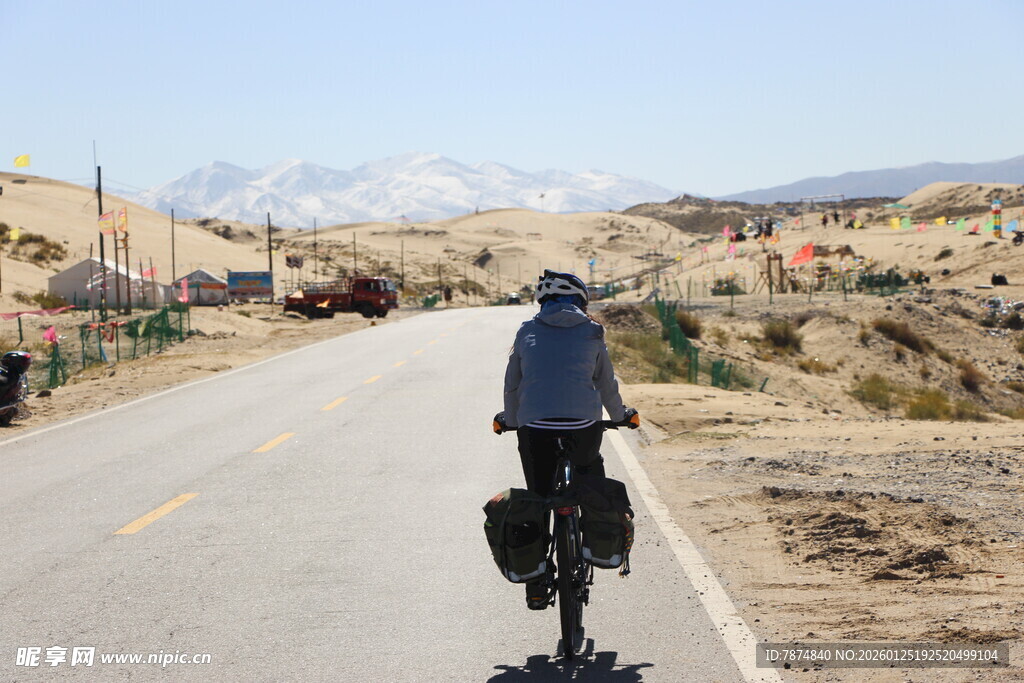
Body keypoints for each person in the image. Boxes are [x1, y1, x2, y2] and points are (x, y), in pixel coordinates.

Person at [495, 270, 637, 610]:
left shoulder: (526, 330)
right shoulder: (592, 331)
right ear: (581, 301)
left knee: (538, 496)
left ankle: (536, 580)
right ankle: (592, 540)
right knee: (590, 473)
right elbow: (605, 384)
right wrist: (619, 415)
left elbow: (513, 384)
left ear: (543, 302)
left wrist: (511, 419)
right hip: (583, 426)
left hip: (535, 429)